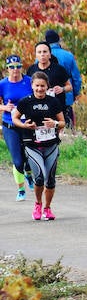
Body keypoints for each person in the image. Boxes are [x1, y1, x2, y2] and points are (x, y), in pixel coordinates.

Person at [12, 72, 66, 220]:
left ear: (47, 86)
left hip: (51, 144)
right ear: (32, 86)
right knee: (40, 177)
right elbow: (14, 117)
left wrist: (54, 124)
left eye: (42, 86)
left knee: (50, 179)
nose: (40, 89)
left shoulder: (53, 102)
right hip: (32, 144)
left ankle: (47, 208)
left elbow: (62, 122)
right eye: (37, 86)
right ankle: (37, 204)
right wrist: (24, 125)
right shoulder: (25, 102)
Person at [1, 55, 32, 202]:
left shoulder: (29, 81)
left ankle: (29, 173)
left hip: (27, 124)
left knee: (28, 156)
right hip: (10, 125)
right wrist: (4, 107)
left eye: (18, 66)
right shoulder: (3, 84)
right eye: (12, 67)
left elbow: (38, 96)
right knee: (17, 161)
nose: (15, 70)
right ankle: (21, 189)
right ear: (7, 68)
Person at [26, 44, 73, 125]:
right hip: (37, 108)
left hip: (57, 108)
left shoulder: (59, 69)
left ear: (50, 54)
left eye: (45, 52)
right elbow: (28, 88)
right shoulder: (31, 69)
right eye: (39, 52)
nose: (42, 55)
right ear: (36, 55)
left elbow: (69, 87)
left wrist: (62, 89)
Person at [43, 30, 81, 129]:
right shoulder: (68, 56)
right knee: (68, 128)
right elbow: (76, 78)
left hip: (45, 100)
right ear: (58, 40)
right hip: (66, 98)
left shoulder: (41, 56)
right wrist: (75, 93)